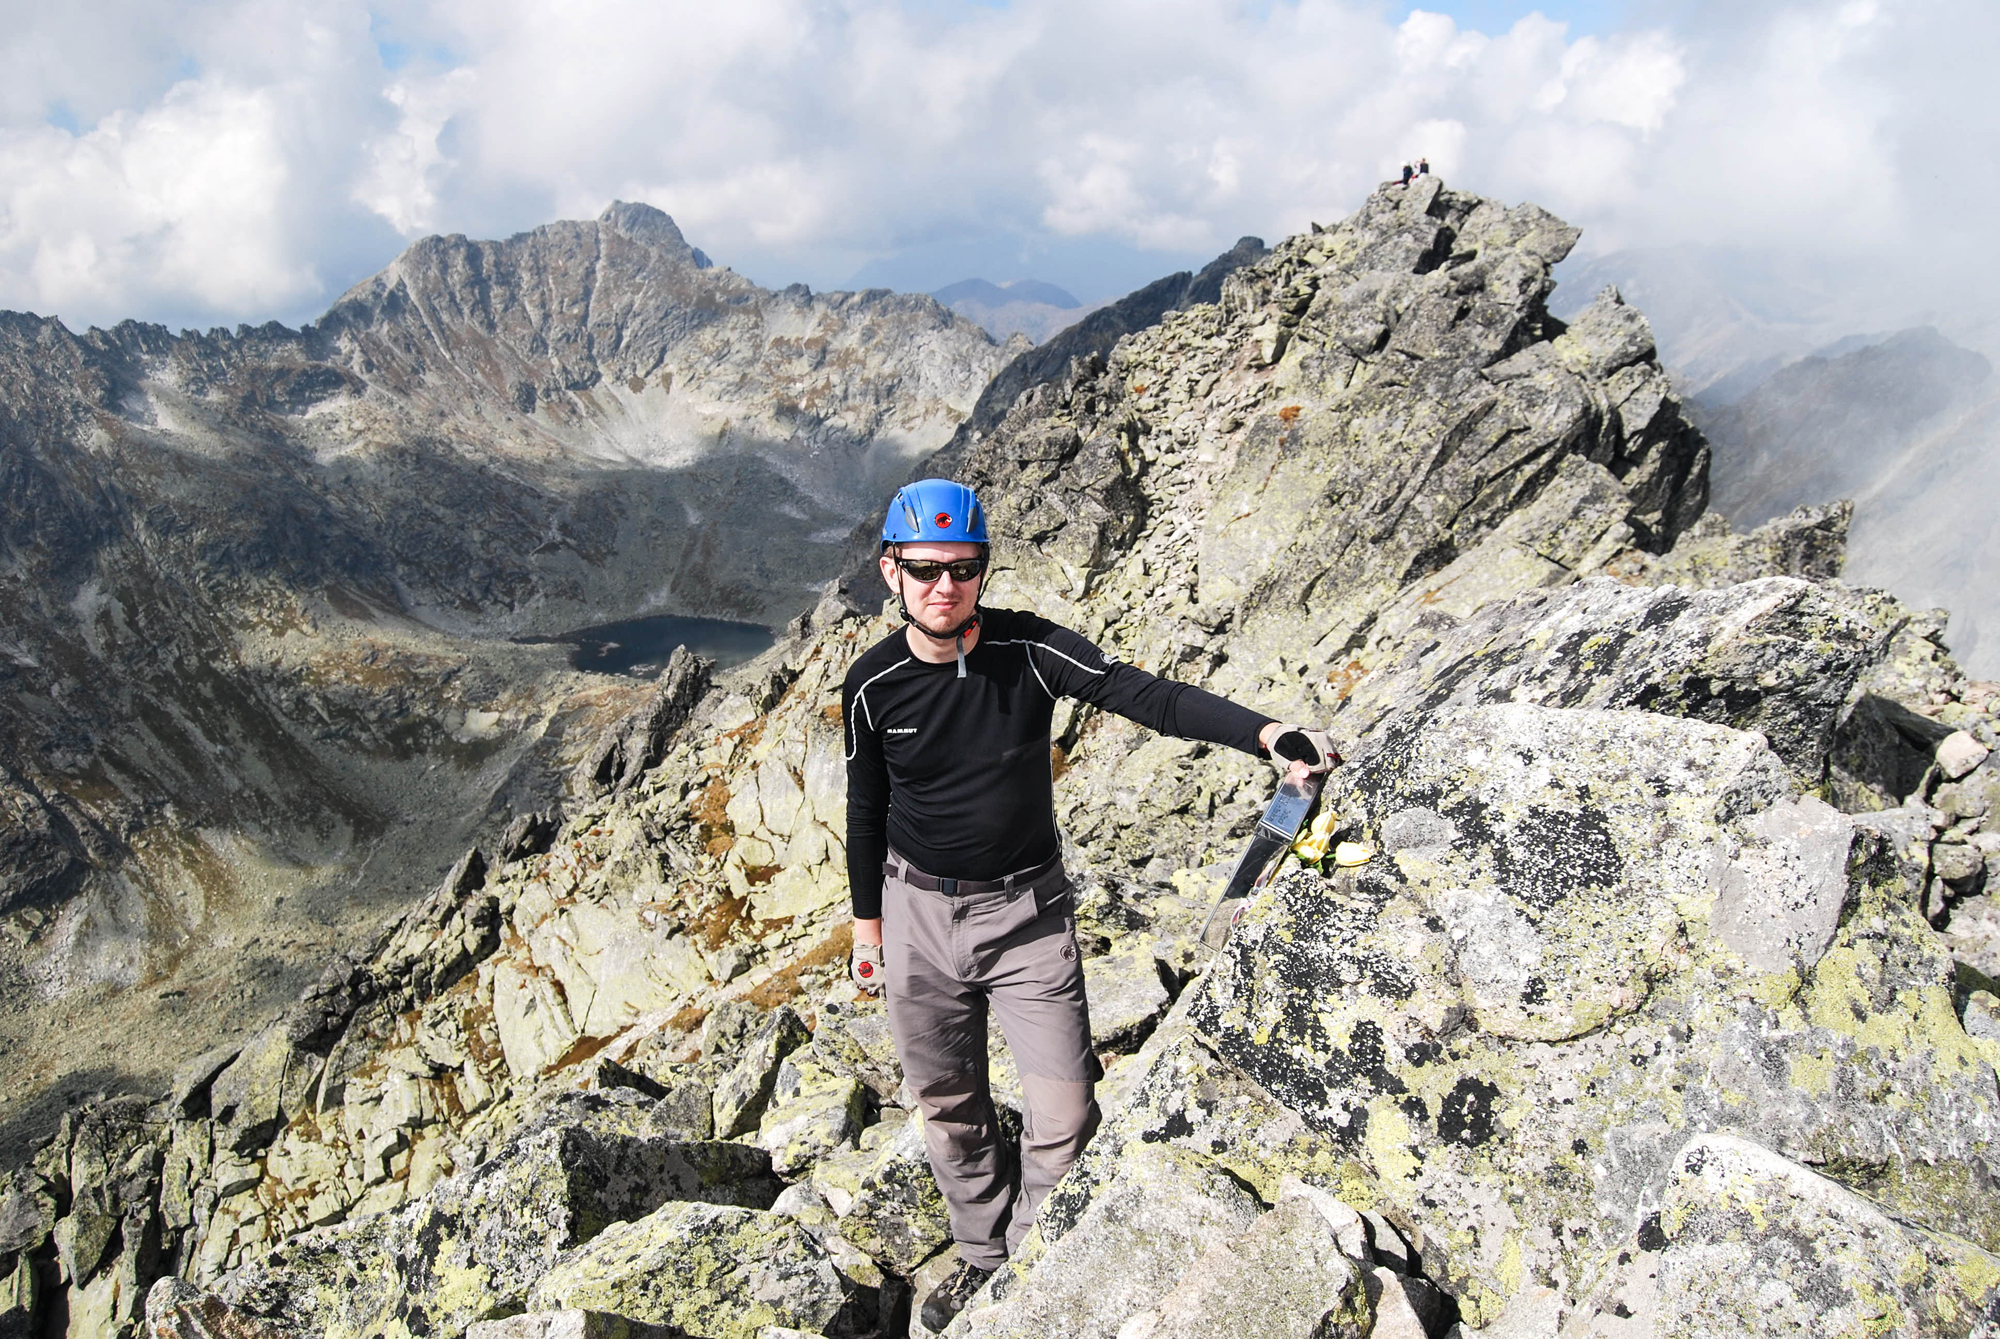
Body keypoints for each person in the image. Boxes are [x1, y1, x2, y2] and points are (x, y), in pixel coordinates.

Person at [842, 478, 1337, 1331]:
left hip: (1028, 913)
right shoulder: (871, 684)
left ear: (984, 570)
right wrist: (866, 924)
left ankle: (1030, 1268)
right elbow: (865, 806)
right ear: (890, 570)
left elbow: (1145, 694)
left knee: (1065, 1110)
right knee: (947, 1102)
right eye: (924, 568)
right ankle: (981, 1255)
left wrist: (1265, 732)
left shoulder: (1030, 651)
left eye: (964, 568)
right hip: (917, 912)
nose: (944, 587)